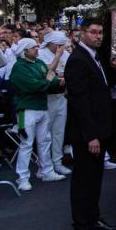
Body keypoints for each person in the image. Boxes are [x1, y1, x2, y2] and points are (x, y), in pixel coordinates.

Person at [64, 18, 116, 230]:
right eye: (94, 32)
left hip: (100, 129)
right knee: (83, 181)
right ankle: (81, 226)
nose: (98, 37)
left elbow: (103, 87)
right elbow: (80, 102)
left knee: (95, 179)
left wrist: (115, 69)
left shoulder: (93, 58)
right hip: (87, 133)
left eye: (101, 33)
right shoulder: (77, 60)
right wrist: (91, 136)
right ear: (82, 34)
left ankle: (93, 218)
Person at [9, 38, 66, 192]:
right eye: (33, 47)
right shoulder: (19, 67)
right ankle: (22, 177)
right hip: (26, 109)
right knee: (27, 143)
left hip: (42, 107)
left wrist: (53, 80)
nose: (37, 48)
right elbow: (35, 85)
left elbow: (49, 76)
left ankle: (47, 171)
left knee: (45, 140)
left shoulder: (39, 63)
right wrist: (50, 80)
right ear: (24, 51)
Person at [38, 31, 73, 176]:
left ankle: (57, 162)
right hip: (47, 98)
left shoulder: (66, 54)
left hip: (62, 96)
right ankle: (44, 165)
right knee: (45, 134)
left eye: (61, 44)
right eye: (57, 45)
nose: (60, 47)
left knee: (59, 131)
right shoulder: (40, 53)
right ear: (50, 43)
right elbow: (45, 73)